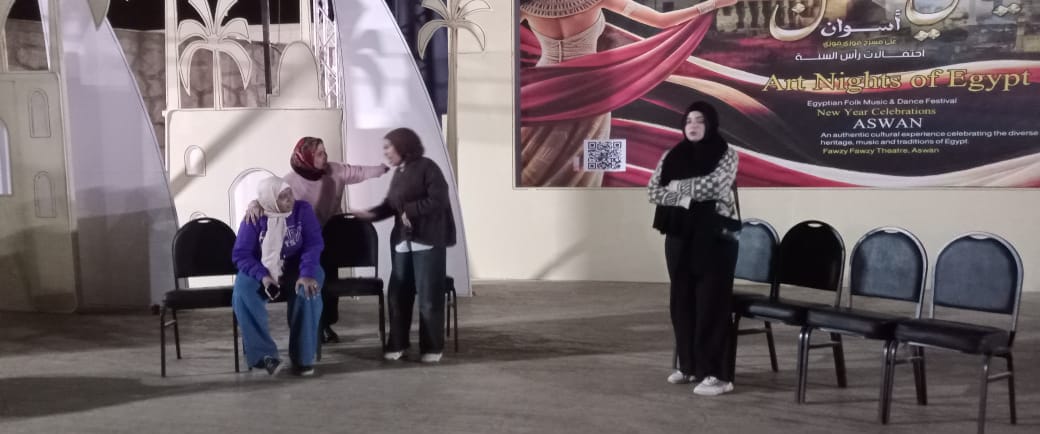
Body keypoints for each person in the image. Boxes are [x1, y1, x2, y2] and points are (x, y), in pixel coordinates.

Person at [519, 0, 737, 187]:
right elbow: (661, 20)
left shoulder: (526, 5)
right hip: (590, 87)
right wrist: (712, 3)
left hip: (543, 86)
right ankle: (593, 203)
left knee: (536, 152)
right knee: (594, 156)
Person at [248, 136, 388, 344]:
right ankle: (312, 327)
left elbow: (359, 172)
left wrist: (382, 169)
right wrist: (254, 204)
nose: (325, 157)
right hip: (306, 239)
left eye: (325, 152)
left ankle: (326, 324)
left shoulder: (335, 170)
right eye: (320, 154)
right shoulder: (291, 181)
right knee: (311, 279)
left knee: (330, 281)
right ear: (307, 158)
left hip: (332, 233)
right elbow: (271, 196)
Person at [647, 101, 739, 396]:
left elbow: (717, 187)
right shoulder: (671, 155)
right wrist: (687, 197)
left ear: (710, 124)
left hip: (715, 237)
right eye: (688, 121)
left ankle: (717, 375)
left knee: (711, 305)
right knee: (682, 303)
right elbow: (653, 190)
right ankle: (688, 366)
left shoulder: (726, 153)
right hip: (679, 235)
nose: (693, 125)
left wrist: (675, 187)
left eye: (699, 120)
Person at [351, 128, 455, 363]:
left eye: (388, 147)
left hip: (427, 241)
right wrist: (370, 214)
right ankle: (398, 343)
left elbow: (438, 200)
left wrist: (410, 210)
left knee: (428, 298)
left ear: (403, 145)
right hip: (402, 242)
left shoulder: (428, 167)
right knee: (397, 295)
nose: (386, 152)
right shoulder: (400, 172)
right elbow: (391, 205)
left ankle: (432, 347)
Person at [233, 176, 325, 376]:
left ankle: (303, 358)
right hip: (262, 267)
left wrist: (306, 273)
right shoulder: (255, 216)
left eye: (290, 193)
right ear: (270, 200)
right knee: (242, 292)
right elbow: (241, 254)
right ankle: (264, 356)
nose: (289, 199)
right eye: (282, 197)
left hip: (298, 266)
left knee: (308, 290)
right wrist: (264, 276)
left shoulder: (302, 210)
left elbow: (313, 244)